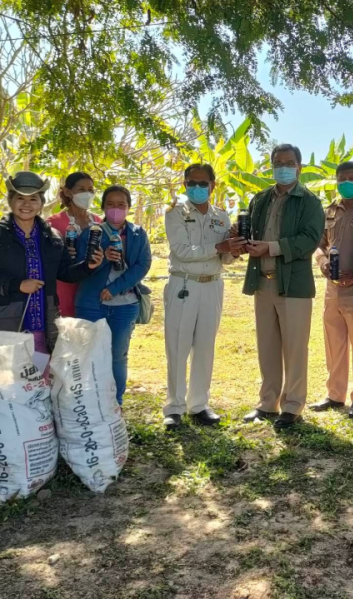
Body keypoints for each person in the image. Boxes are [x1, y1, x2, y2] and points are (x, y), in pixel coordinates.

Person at [0, 173, 103, 372]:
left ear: (41, 203)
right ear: (10, 200)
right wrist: (17, 285)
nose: (27, 204)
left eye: (33, 199)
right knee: (2, 380)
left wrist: (87, 266)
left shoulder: (52, 236)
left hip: (42, 325)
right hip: (3, 322)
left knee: (38, 380)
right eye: (20, 198)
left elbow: (65, 272)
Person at [241, 144, 325, 430]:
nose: (283, 167)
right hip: (262, 283)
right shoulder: (260, 199)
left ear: (299, 167)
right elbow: (250, 233)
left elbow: (310, 239)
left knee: (294, 348)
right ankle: (267, 403)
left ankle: (292, 406)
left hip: (293, 286)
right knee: (267, 347)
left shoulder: (309, 201)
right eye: (278, 162)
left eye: (289, 162)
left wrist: (271, 247)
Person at [162, 164, 244, 430]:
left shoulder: (222, 217)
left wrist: (234, 249)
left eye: (203, 183)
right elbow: (183, 250)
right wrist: (219, 246)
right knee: (178, 345)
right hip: (184, 284)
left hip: (213, 285)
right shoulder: (175, 214)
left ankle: (198, 405)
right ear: (184, 184)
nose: (197, 188)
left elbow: (225, 258)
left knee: (205, 346)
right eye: (191, 183)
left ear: (213, 185)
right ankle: (174, 407)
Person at [75, 185, 152, 407]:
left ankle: (114, 405)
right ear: (103, 208)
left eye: (121, 205)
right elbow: (79, 267)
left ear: (128, 208)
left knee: (118, 357)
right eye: (110, 204)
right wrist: (104, 259)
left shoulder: (138, 234)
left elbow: (142, 265)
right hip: (91, 304)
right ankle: (89, 405)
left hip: (125, 305)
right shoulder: (91, 233)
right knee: (89, 356)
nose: (116, 209)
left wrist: (115, 288)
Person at [311, 161, 353, 418]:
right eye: (341, 179)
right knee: (333, 342)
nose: (345, 183)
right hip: (332, 288)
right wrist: (323, 262)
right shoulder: (330, 211)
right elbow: (319, 244)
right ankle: (335, 394)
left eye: (351, 178)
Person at [47, 171, 102, 317]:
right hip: (63, 288)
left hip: (91, 289)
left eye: (90, 190)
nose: (87, 194)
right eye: (81, 189)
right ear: (67, 192)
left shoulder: (99, 223)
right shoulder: (52, 223)